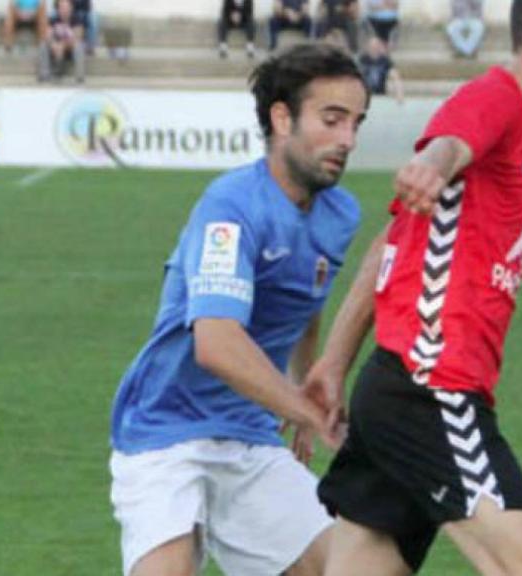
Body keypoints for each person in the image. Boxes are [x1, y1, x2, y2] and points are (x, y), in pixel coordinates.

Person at [308, 1, 522, 575]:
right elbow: (450, 143)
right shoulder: (498, 100)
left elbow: (392, 244)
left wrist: (333, 361)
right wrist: (432, 162)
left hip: (395, 384)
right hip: (432, 390)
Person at [108, 43, 369, 576]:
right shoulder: (231, 207)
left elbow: (305, 299)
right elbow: (217, 343)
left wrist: (306, 383)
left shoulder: (339, 213)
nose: (348, 139)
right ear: (281, 118)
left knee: (344, 567)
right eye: (332, 119)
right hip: (164, 430)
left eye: (356, 123)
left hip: (247, 432)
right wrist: (307, 411)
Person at [37, 0, 84, 83]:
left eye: (66, 7)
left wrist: (63, 45)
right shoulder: (53, 20)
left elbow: (78, 37)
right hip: (55, 49)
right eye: (61, 7)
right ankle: (44, 75)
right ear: (58, 9)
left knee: (79, 45)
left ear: (71, 8)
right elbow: (47, 36)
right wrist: (53, 44)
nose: (64, 10)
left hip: (70, 50)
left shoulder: (77, 20)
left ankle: (79, 77)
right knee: (43, 45)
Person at [358, 36, 403, 103]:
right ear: (368, 47)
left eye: (376, 47)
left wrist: (399, 93)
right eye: (371, 47)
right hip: (365, 95)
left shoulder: (385, 61)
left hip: (380, 95)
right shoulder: (362, 60)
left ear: (379, 48)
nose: (373, 49)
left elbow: (395, 77)